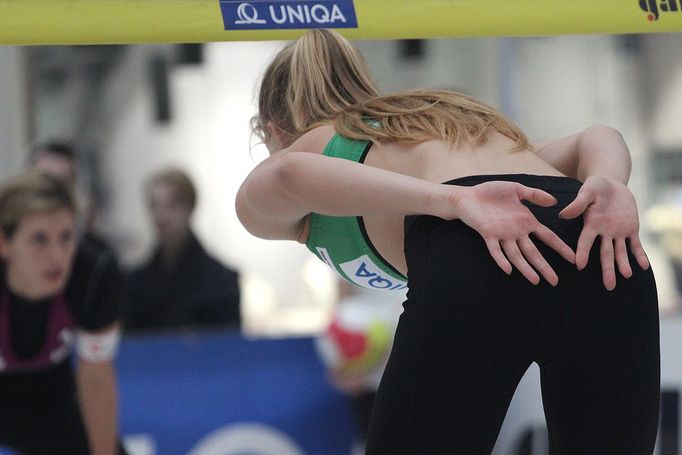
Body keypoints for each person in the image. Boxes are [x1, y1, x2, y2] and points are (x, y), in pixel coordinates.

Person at [236, 29, 659, 454]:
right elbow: (598, 135)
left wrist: (452, 200)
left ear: (272, 131)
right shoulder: (435, 125)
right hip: (598, 242)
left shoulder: (319, 142)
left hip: (476, 248)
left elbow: (289, 174)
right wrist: (608, 181)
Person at [0, 172, 126, 455]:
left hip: (50, 394)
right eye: (39, 240)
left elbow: (95, 377)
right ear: (4, 243)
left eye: (66, 237)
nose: (57, 257)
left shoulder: (94, 277)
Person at [125, 168, 241, 331]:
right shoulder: (135, 283)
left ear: (190, 208)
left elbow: (227, 347)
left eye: (173, 204)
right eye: (154, 205)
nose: (161, 215)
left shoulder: (221, 281)